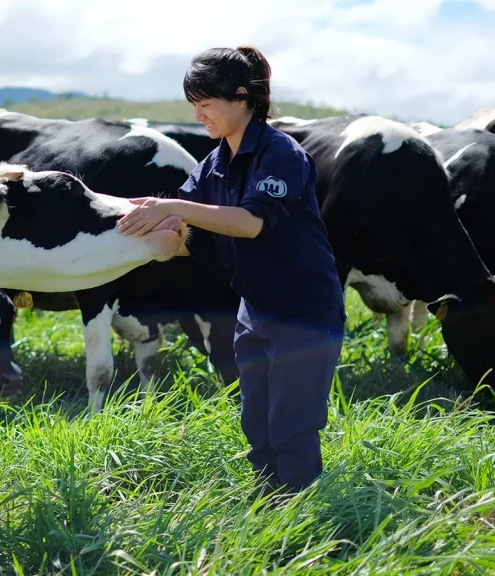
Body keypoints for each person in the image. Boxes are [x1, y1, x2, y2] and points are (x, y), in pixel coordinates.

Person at [117, 45, 346, 498]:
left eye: (206, 104)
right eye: (194, 106)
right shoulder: (214, 164)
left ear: (242, 97)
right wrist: (137, 236)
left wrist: (173, 206)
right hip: (254, 310)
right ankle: (267, 505)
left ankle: (303, 524)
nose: (199, 116)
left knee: (291, 427)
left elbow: (250, 223)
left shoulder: (281, 154)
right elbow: (188, 237)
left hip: (303, 311)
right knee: (255, 424)